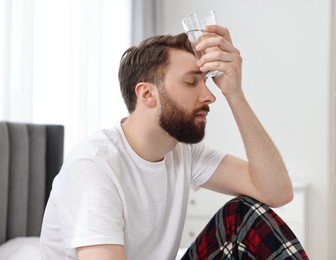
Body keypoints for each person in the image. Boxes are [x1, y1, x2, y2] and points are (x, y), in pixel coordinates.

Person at [40, 24, 308, 259]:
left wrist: (235, 94)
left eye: (206, 82)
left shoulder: (182, 151)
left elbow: (277, 192)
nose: (209, 96)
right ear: (147, 93)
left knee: (241, 215)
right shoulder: (93, 168)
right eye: (192, 82)